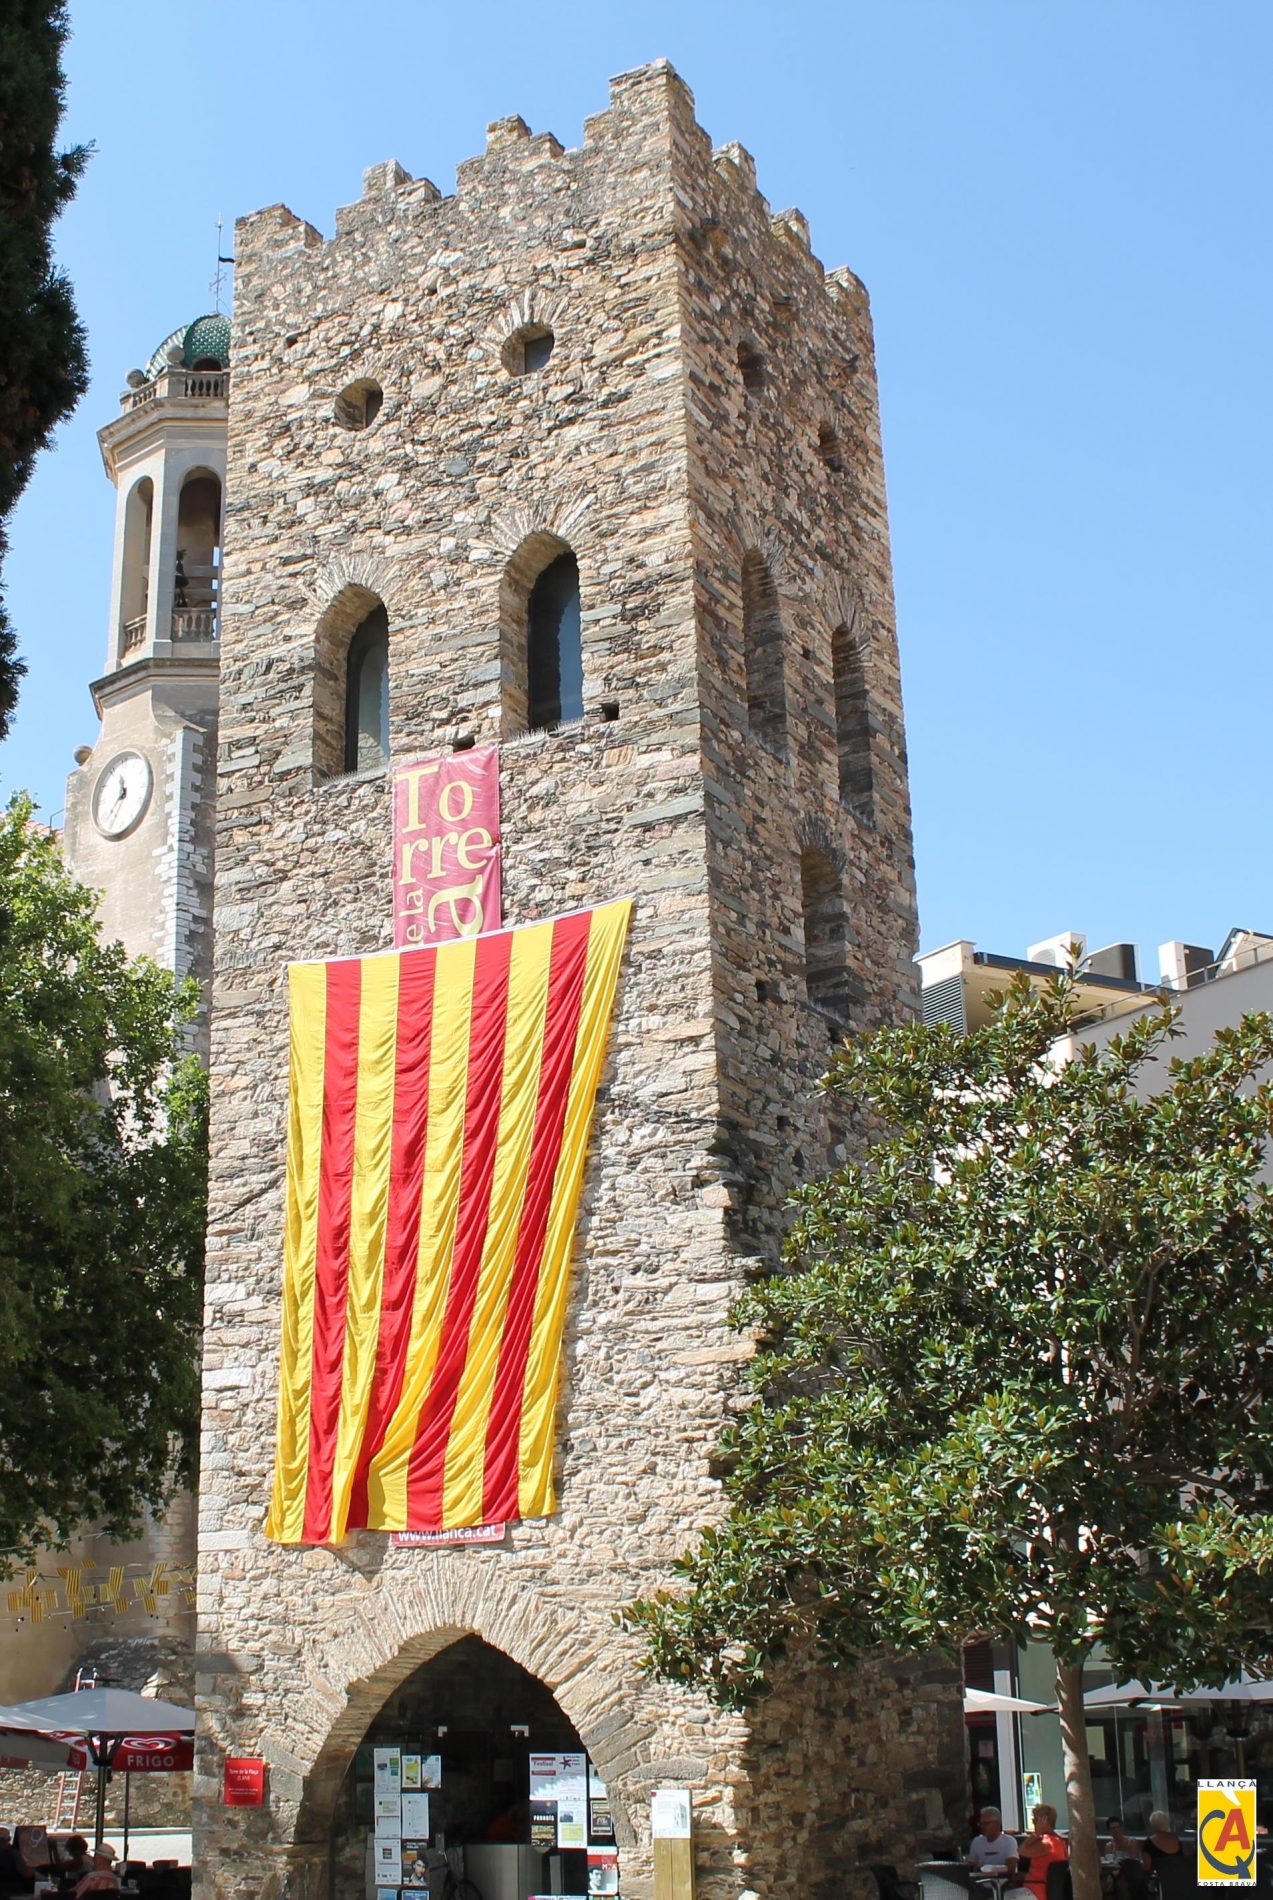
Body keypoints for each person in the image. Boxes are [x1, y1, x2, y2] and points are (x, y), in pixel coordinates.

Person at [1017, 1803, 1067, 1900]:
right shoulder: (1060, 1841)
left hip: (1036, 1891)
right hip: (1041, 1889)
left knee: (1002, 1895)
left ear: (1042, 1820)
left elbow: (1021, 1850)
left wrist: (1036, 1833)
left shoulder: (1047, 1843)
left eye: (1034, 1820)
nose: (1033, 1823)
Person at [1142, 1813, 1191, 1900]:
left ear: (1152, 1824)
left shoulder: (1148, 1842)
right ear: (1167, 1823)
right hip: (1181, 1879)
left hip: (1162, 1882)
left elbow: (1147, 1868)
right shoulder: (1176, 1839)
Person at [968, 1809, 1020, 1881]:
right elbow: (970, 1866)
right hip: (981, 1883)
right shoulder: (977, 1841)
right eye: (981, 1823)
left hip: (1004, 1883)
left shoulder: (1009, 1841)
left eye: (986, 1823)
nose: (982, 1827)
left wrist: (990, 1869)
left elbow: (1010, 1869)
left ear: (998, 1824)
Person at [0, 1829, 37, 1895]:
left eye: (2, 1840)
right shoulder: (15, 1854)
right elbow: (27, 1874)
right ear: (9, 1839)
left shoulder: (15, 1854)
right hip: (14, 1892)